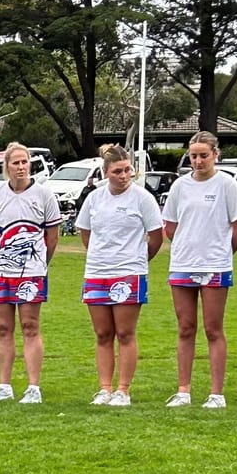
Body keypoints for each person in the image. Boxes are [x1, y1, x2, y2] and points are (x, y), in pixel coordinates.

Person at [160, 130, 237, 409]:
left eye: (203, 156)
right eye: (194, 156)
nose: (198, 161)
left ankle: (216, 393)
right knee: (186, 328)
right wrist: (189, 247)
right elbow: (170, 225)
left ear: (215, 155)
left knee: (213, 328)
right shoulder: (179, 187)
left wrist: (220, 253)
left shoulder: (227, 185)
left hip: (215, 266)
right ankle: (183, 390)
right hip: (183, 264)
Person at [75, 146, 164, 406]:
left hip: (129, 273)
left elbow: (156, 237)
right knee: (103, 333)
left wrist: (137, 260)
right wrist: (100, 256)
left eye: (127, 170)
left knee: (125, 332)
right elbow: (86, 232)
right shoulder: (94, 198)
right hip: (97, 272)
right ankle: (105, 388)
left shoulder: (143, 198)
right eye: (117, 171)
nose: (124, 176)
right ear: (106, 173)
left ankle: (123, 389)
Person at [0, 141, 62, 404]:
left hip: (32, 273)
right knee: (4, 327)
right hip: (2, 271)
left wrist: (38, 265)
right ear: (7, 167)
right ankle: (4, 386)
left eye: (25, 162)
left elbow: (52, 235)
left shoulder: (44, 195)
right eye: (16, 163)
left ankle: (33, 387)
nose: (21, 167)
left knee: (30, 326)